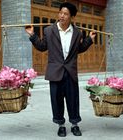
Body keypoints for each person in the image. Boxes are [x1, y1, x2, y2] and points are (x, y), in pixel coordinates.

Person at [25, 2, 96, 137]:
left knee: (73, 99)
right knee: (56, 100)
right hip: (55, 72)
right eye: (60, 13)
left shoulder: (77, 32)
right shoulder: (49, 30)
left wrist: (90, 40)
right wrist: (32, 35)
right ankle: (61, 125)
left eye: (66, 14)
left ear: (71, 17)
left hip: (70, 72)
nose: (62, 16)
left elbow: (78, 49)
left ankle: (75, 124)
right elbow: (42, 46)